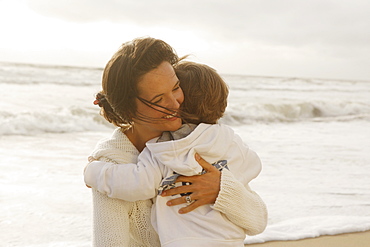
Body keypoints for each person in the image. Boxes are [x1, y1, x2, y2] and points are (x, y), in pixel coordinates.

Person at [86, 37, 267, 246]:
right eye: (158, 99)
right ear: (128, 110)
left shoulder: (196, 143)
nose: (175, 103)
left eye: (176, 87)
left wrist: (220, 190)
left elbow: (258, 221)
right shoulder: (113, 165)